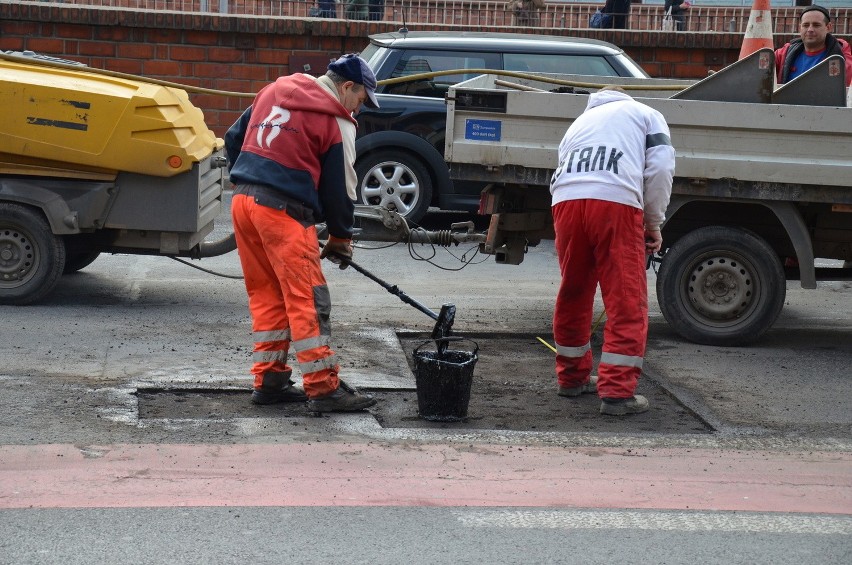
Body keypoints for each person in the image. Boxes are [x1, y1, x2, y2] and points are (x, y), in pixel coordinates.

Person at [224, 54, 380, 413]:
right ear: (347, 87)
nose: (360, 108)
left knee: (267, 295)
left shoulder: (275, 89)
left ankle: (270, 381)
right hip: (282, 213)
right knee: (308, 300)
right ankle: (324, 388)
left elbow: (234, 138)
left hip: (244, 203)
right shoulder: (337, 121)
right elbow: (341, 190)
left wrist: (248, 178)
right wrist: (340, 238)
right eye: (361, 100)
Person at [549, 86, 675, 417]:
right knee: (625, 299)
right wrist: (653, 222)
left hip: (565, 201)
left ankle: (572, 378)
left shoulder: (579, 122)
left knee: (573, 291)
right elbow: (660, 168)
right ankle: (617, 393)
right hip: (616, 202)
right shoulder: (647, 115)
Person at [774, 5, 852, 87]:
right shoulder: (784, 53)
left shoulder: (840, 53)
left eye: (816, 25)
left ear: (828, 27)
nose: (810, 29)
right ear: (800, 28)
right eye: (806, 25)